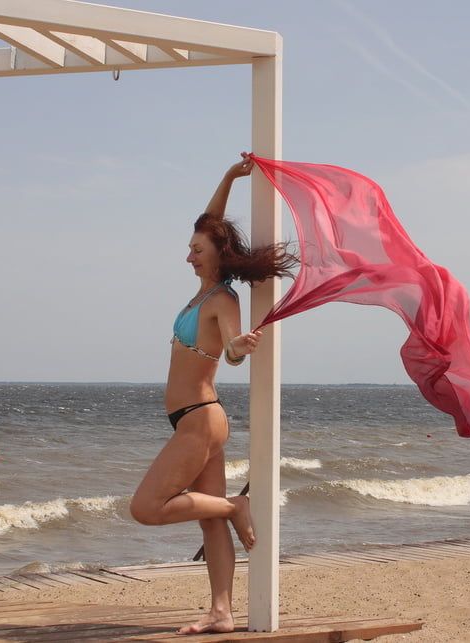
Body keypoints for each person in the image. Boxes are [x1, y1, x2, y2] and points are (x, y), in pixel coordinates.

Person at [129, 153, 297, 635]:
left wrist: (239, 347)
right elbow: (210, 222)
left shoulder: (223, 298)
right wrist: (227, 178)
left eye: (196, 249)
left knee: (146, 508)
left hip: (201, 417)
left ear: (216, 255)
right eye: (189, 248)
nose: (189, 255)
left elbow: (231, 349)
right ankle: (222, 612)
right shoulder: (202, 292)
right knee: (207, 523)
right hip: (195, 418)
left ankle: (233, 505)